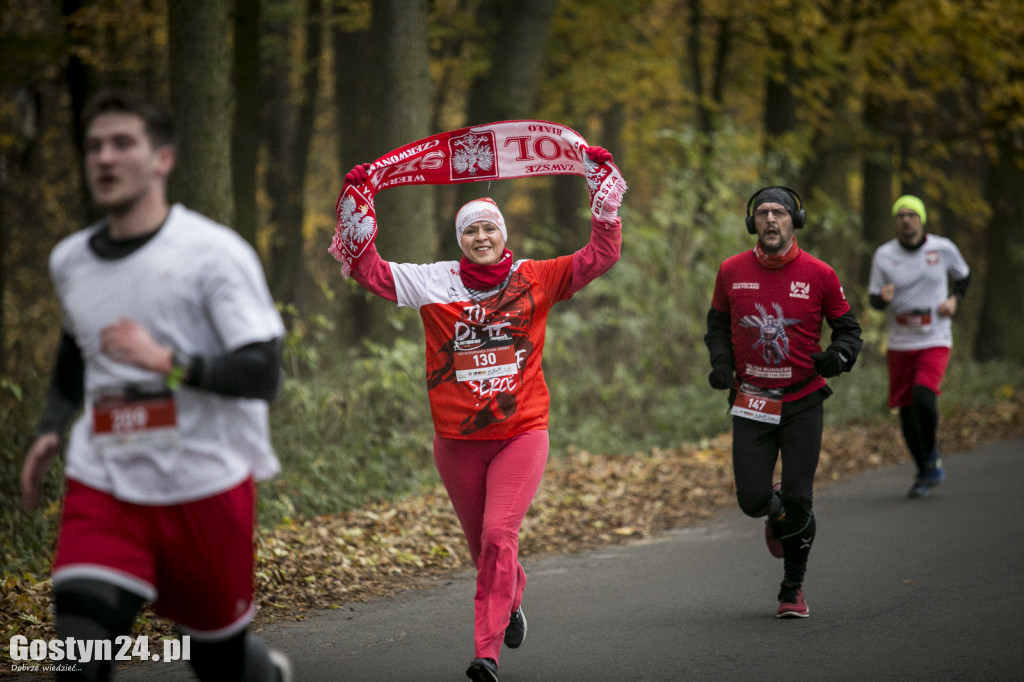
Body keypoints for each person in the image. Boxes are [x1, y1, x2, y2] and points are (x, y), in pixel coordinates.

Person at [19, 90, 290, 681]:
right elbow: (76, 345)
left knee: (216, 661)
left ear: (162, 159)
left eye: (122, 144)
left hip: (205, 483)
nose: (105, 159)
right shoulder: (69, 261)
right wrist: (50, 426)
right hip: (105, 479)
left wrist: (165, 362)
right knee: (79, 657)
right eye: (94, 147)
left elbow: (263, 373)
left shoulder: (213, 254)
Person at [340, 146, 623, 682]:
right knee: (485, 551)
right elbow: (367, 271)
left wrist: (603, 198)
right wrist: (358, 202)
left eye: (489, 228)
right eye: (471, 231)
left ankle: (485, 653)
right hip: (457, 442)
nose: (482, 238)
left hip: (522, 432)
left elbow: (599, 257)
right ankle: (511, 596)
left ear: (503, 234)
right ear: (461, 241)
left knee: (499, 535)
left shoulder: (537, 277)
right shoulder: (433, 281)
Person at [703, 186, 862, 618]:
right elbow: (716, 327)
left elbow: (850, 331)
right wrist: (720, 363)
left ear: (796, 220)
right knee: (752, 500)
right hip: (751, 400)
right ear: (752, 222)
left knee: (801, 498)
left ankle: (792, 588)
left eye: (780, 213)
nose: (771, 220)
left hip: (802, 400)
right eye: (763, 213)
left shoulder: (820, 274)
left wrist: (839, 357)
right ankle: (773, 511)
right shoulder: (731, 270)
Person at [868, 195, 970, 498]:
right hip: (900, 342)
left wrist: (954, 300)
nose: (906, 219)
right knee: (905, 409)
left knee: (924, 396)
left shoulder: (943, 248)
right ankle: (924, 468)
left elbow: (964, 277)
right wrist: (881, 300)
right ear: (895, 221)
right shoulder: (884, 255)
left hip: (935, 338)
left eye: (912, 214)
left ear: (921, 219)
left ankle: (931, 453)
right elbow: (874, 299)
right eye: (901, 215)